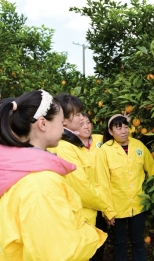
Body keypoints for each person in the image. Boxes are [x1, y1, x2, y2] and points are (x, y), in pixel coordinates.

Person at [0, 90, 106, 260]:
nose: (63, 127)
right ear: (42, 124)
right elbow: (60, 254)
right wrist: (91, 233)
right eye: (61, 122)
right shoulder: (41, 183)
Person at [99, 114, 154, 261]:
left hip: (138, 203)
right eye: (119, 128)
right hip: (116, 206)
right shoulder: (105, 150)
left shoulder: (138, 145)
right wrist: (107, 210)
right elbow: (102, 181)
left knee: (138, 242)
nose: (124, 131)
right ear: (111, 131)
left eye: (126, 126)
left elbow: (152, 170)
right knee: (119, 243)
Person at [49, 94, 111, 226]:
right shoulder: (65, 147)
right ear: (64, 120)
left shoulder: (73, 143)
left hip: (86, 215)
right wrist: (107, 204)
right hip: (81, 218)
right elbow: (83, 189)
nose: (82, 117)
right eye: (77, 114)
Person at [78, 112, 107, 261]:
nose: (86, 126)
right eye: (81, 123)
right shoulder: (71, 147)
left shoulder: (100, 139)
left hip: (104, 202)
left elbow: (120, 140)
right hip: (85, 205)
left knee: (101, 241)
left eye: (88, 122)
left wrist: (122, 122)